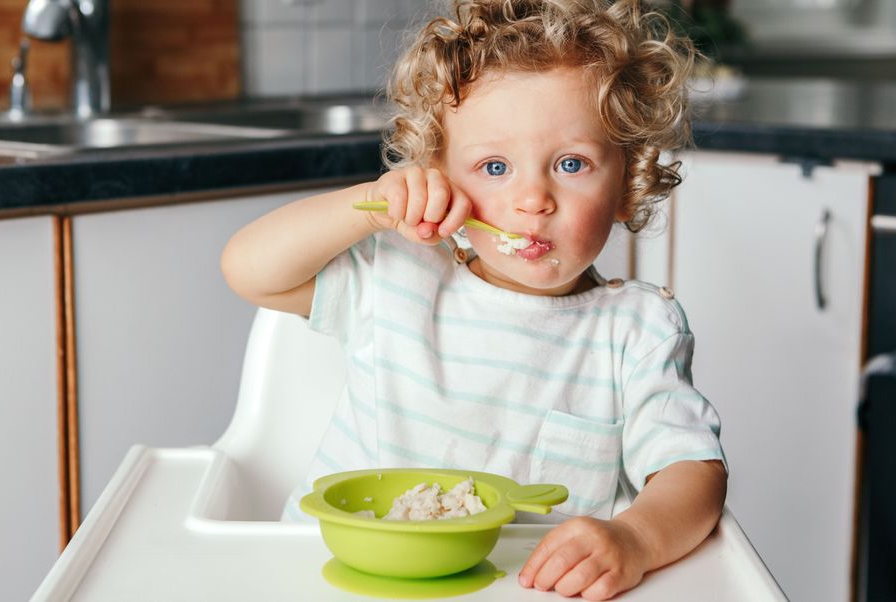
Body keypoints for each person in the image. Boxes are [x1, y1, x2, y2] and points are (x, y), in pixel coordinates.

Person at [221, 1, 727, 599]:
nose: (533, 198)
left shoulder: (637, 331)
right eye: (493, 166)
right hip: (337, 582)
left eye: (572, 164)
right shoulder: (397, 276)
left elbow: (694, 472)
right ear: (441, 177)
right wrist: (372, 204)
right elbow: (249, 271)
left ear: (628, 181)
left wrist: (637, 540)